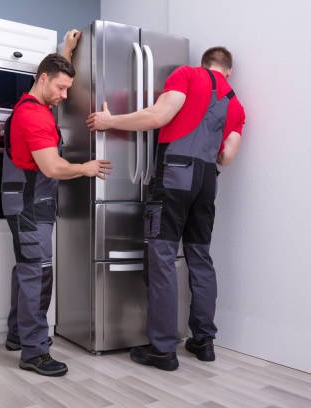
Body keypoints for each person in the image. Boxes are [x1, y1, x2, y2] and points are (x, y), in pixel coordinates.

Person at [87, 46, 245, 371]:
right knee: (200, 257)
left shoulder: (187, 75)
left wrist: (109, 120)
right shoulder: (236, 104)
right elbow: (226, 156)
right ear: (227, 72)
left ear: (205, 64)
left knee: (161, 258)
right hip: (206, 181)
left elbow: (157, 117)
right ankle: (203, 341)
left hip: (175, 174)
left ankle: (162, 349)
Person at [2, 29, 112, 377]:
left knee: (26, 271)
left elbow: (52, 72)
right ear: (43, 79)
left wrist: (66, 49)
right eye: (61, 88)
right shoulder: (34, 116)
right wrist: (87, 167)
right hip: (31, 207)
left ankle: (18, 336)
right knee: (38, 275)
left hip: (25, 204)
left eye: (68, 89)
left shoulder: (31, 104)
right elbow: (51, 167)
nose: (65, 96)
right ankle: (35, 353)